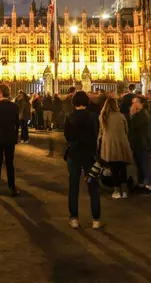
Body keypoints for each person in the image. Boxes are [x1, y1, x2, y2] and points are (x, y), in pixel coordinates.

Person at [64, 91, 101, 229]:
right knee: (93, 186)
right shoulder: (93, 117)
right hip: (90, 155)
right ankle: (96, 219)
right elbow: (96, 134)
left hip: (74, 153)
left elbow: (67, 136)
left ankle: (74, 218)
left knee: (73, 186)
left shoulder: (70, 117)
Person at [99, 97, 134, 199]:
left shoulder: (103, 116)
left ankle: (117, 191)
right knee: (122, 168)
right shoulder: (121, 116)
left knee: (113, 169)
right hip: (121, 144)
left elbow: (101, 132)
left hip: (109, 146)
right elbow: (126, 130)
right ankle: (125, 192)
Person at [129, 96, 151, 195]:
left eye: (135, 102)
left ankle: (148, 186)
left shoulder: (143, 114)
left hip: (142, 143)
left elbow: (134, 125)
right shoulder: (141, 114)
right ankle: (140, 183)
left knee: (144, 164)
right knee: (139, 164)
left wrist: (132, 114)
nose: (133, 105)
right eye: (132, 103)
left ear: (141, 103)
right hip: (138, 142)